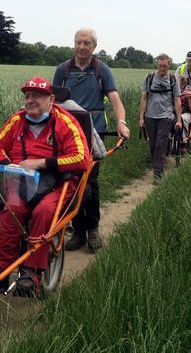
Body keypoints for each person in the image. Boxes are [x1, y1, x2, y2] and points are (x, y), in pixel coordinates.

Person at [0, 77, 90, 297]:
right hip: (20, 182)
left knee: (44, 212)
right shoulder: (17, 120)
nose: (30, 101)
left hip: (58, 183)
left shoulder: (65, 122)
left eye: (37, 96)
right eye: (27, 96)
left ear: (51, 99)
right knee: (11, 211)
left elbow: (82, 158)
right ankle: (0, 270)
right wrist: (5, 164)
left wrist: (42, 163)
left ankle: (31, 273)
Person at [53, 27, 130, 253]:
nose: (82, 46)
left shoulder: (101, 70)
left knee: (90, 182)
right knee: (70, 182)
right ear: (74, 44)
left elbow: (115, 99)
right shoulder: (63, 70)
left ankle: (93, 228)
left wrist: (121, 122)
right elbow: (54, 101)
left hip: (93, 133)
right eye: (79, 42)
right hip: (67, 135)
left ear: (94, 47)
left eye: (87, 43)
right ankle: (78, 231)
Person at [139, 53, 182, 185]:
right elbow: (144, 98)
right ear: (157, 64)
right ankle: (158, 164)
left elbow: (177, 100)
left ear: (169, 65)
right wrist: (141, 117)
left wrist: (179, 119)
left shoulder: (173, 80)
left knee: (160, 143)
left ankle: (158, 173)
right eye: (160, 65)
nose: (162, 68)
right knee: (152, 145)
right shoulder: (149, 78)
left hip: (166, 116)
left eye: (165, 66)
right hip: (150, 117)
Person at [178, 76, 191, 152]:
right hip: (175, 113)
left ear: (182, 85)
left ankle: (183, 142)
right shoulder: (172, 93)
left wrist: (190, 99)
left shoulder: (188, 93)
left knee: (181, 118)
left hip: (187, 113)